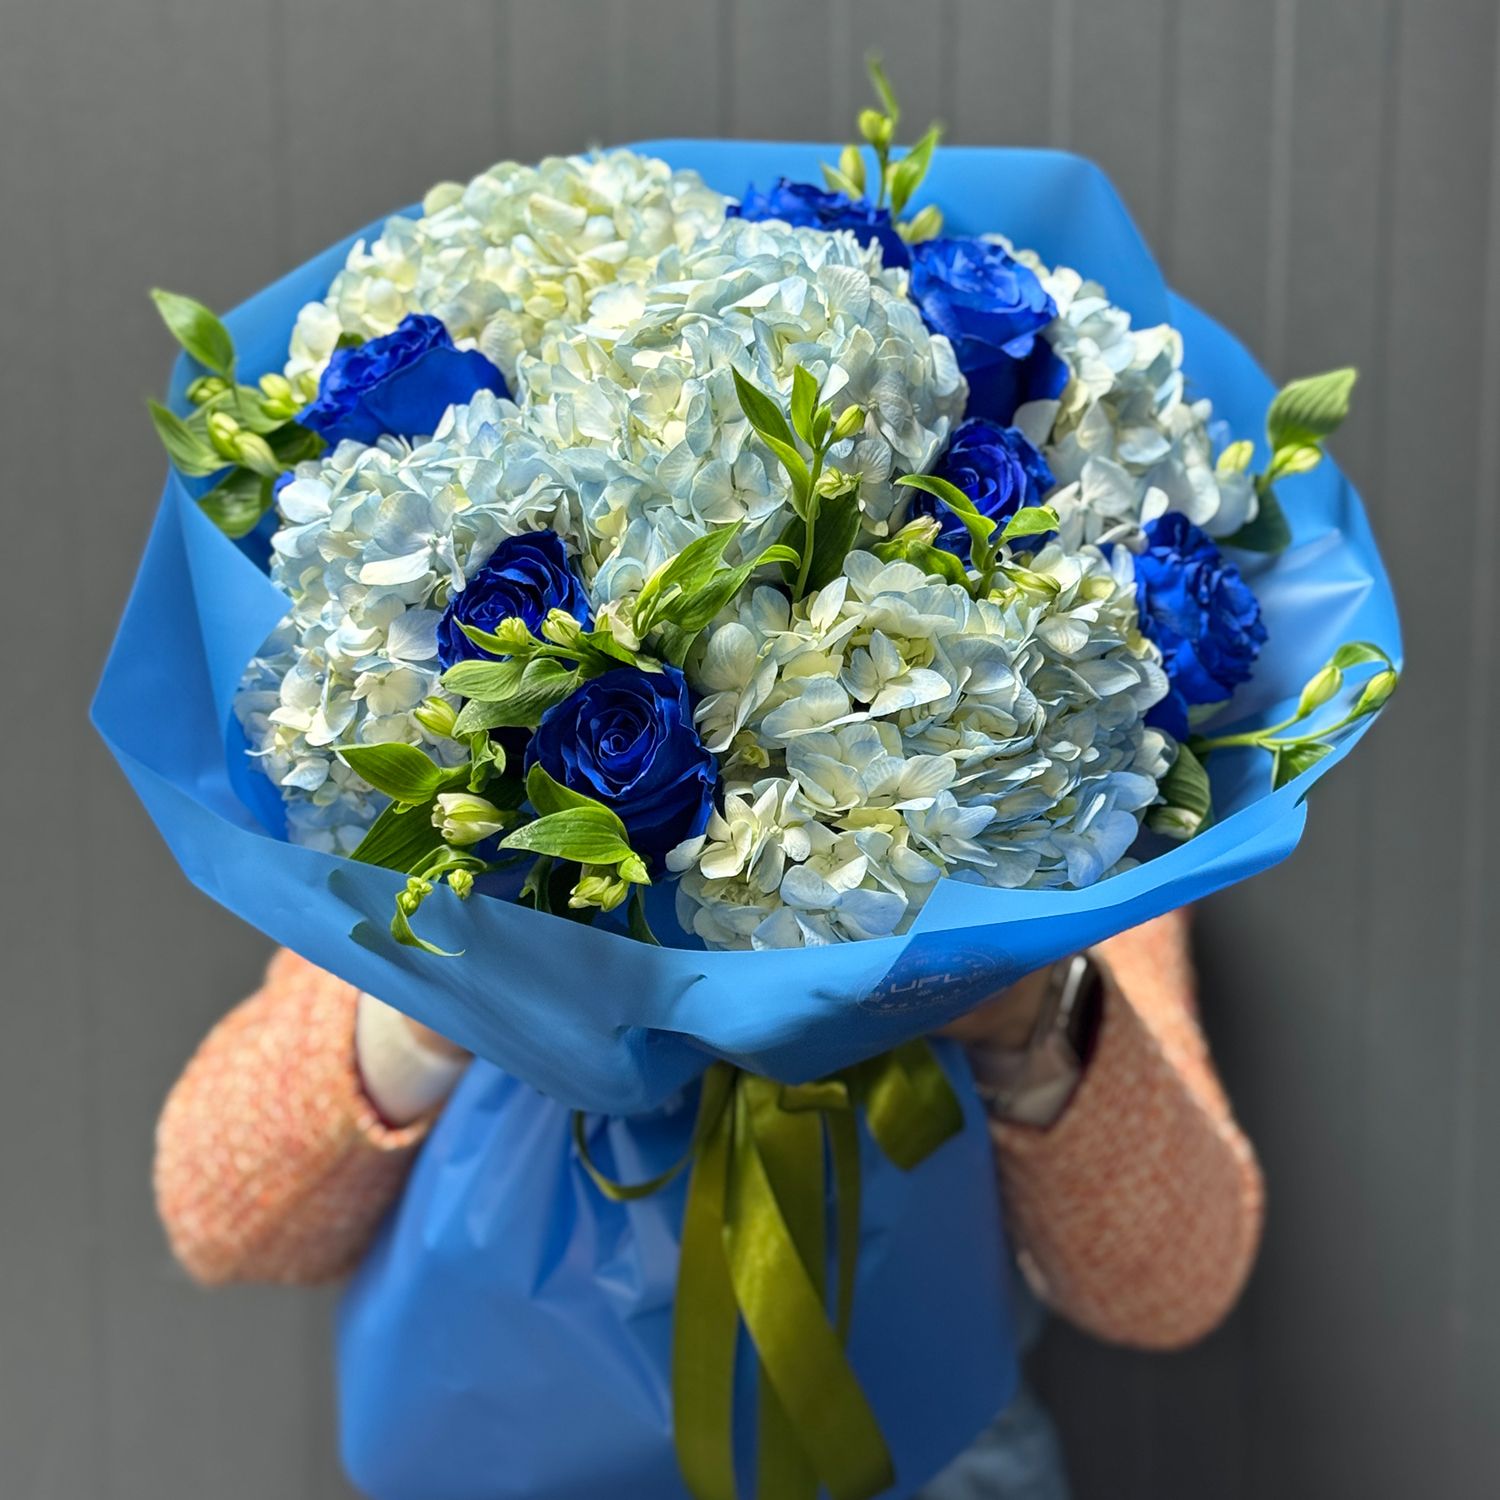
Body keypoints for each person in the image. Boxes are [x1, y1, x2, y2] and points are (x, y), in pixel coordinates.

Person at [154, 908, 1261, 1498]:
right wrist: (435, 995)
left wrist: (1027, 1010)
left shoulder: (1054, 791)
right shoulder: (449, 777)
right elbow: (223, 1217)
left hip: (927, 1467)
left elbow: (1170, 1286)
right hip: (516, 1455)